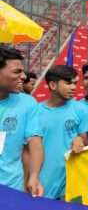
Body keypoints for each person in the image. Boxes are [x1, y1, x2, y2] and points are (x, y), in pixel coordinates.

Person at [38, 65, 88, 199]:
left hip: (69, 184)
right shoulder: (35, 112)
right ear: (53, 85)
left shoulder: (81, 110)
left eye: (75, 83)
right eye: (68, 83)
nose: (73, 87)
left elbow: (84, 139)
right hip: (41, 183)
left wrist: (79, 139)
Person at [0, 46, 44, 196]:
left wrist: (34, 176)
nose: (24, 76)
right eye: (16, 71)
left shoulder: (28, 103)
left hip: (11, 188)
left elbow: (34, 143)